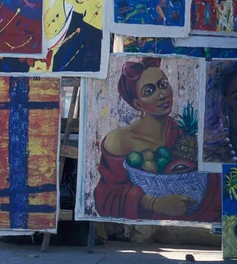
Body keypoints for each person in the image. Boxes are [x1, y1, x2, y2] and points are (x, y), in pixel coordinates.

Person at [94, 57, 220, 221]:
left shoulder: (182, 135)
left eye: (163, 85)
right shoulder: (120, 140)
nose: (161, 95)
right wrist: (154, 203)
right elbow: (105, 198)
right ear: (138, 104)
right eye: (148, 91)